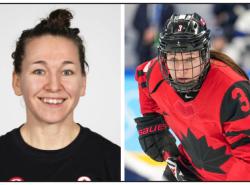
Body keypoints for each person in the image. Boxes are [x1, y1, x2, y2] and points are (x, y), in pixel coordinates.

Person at [0, 9, 120, 182]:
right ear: (17, 81)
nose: (54, 86)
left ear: (83, 83)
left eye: (67, 71)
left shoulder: (113, 162)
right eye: (39, 71)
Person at [134, 12, 250, 181]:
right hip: (188, 170)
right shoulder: (156, 72)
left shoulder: (233, 91)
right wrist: (151, 119)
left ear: (204, 55)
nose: (181, 70)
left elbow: (247, 157)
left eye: (189, 59)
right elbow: (142, 74)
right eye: (174, 59)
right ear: (164, 58)